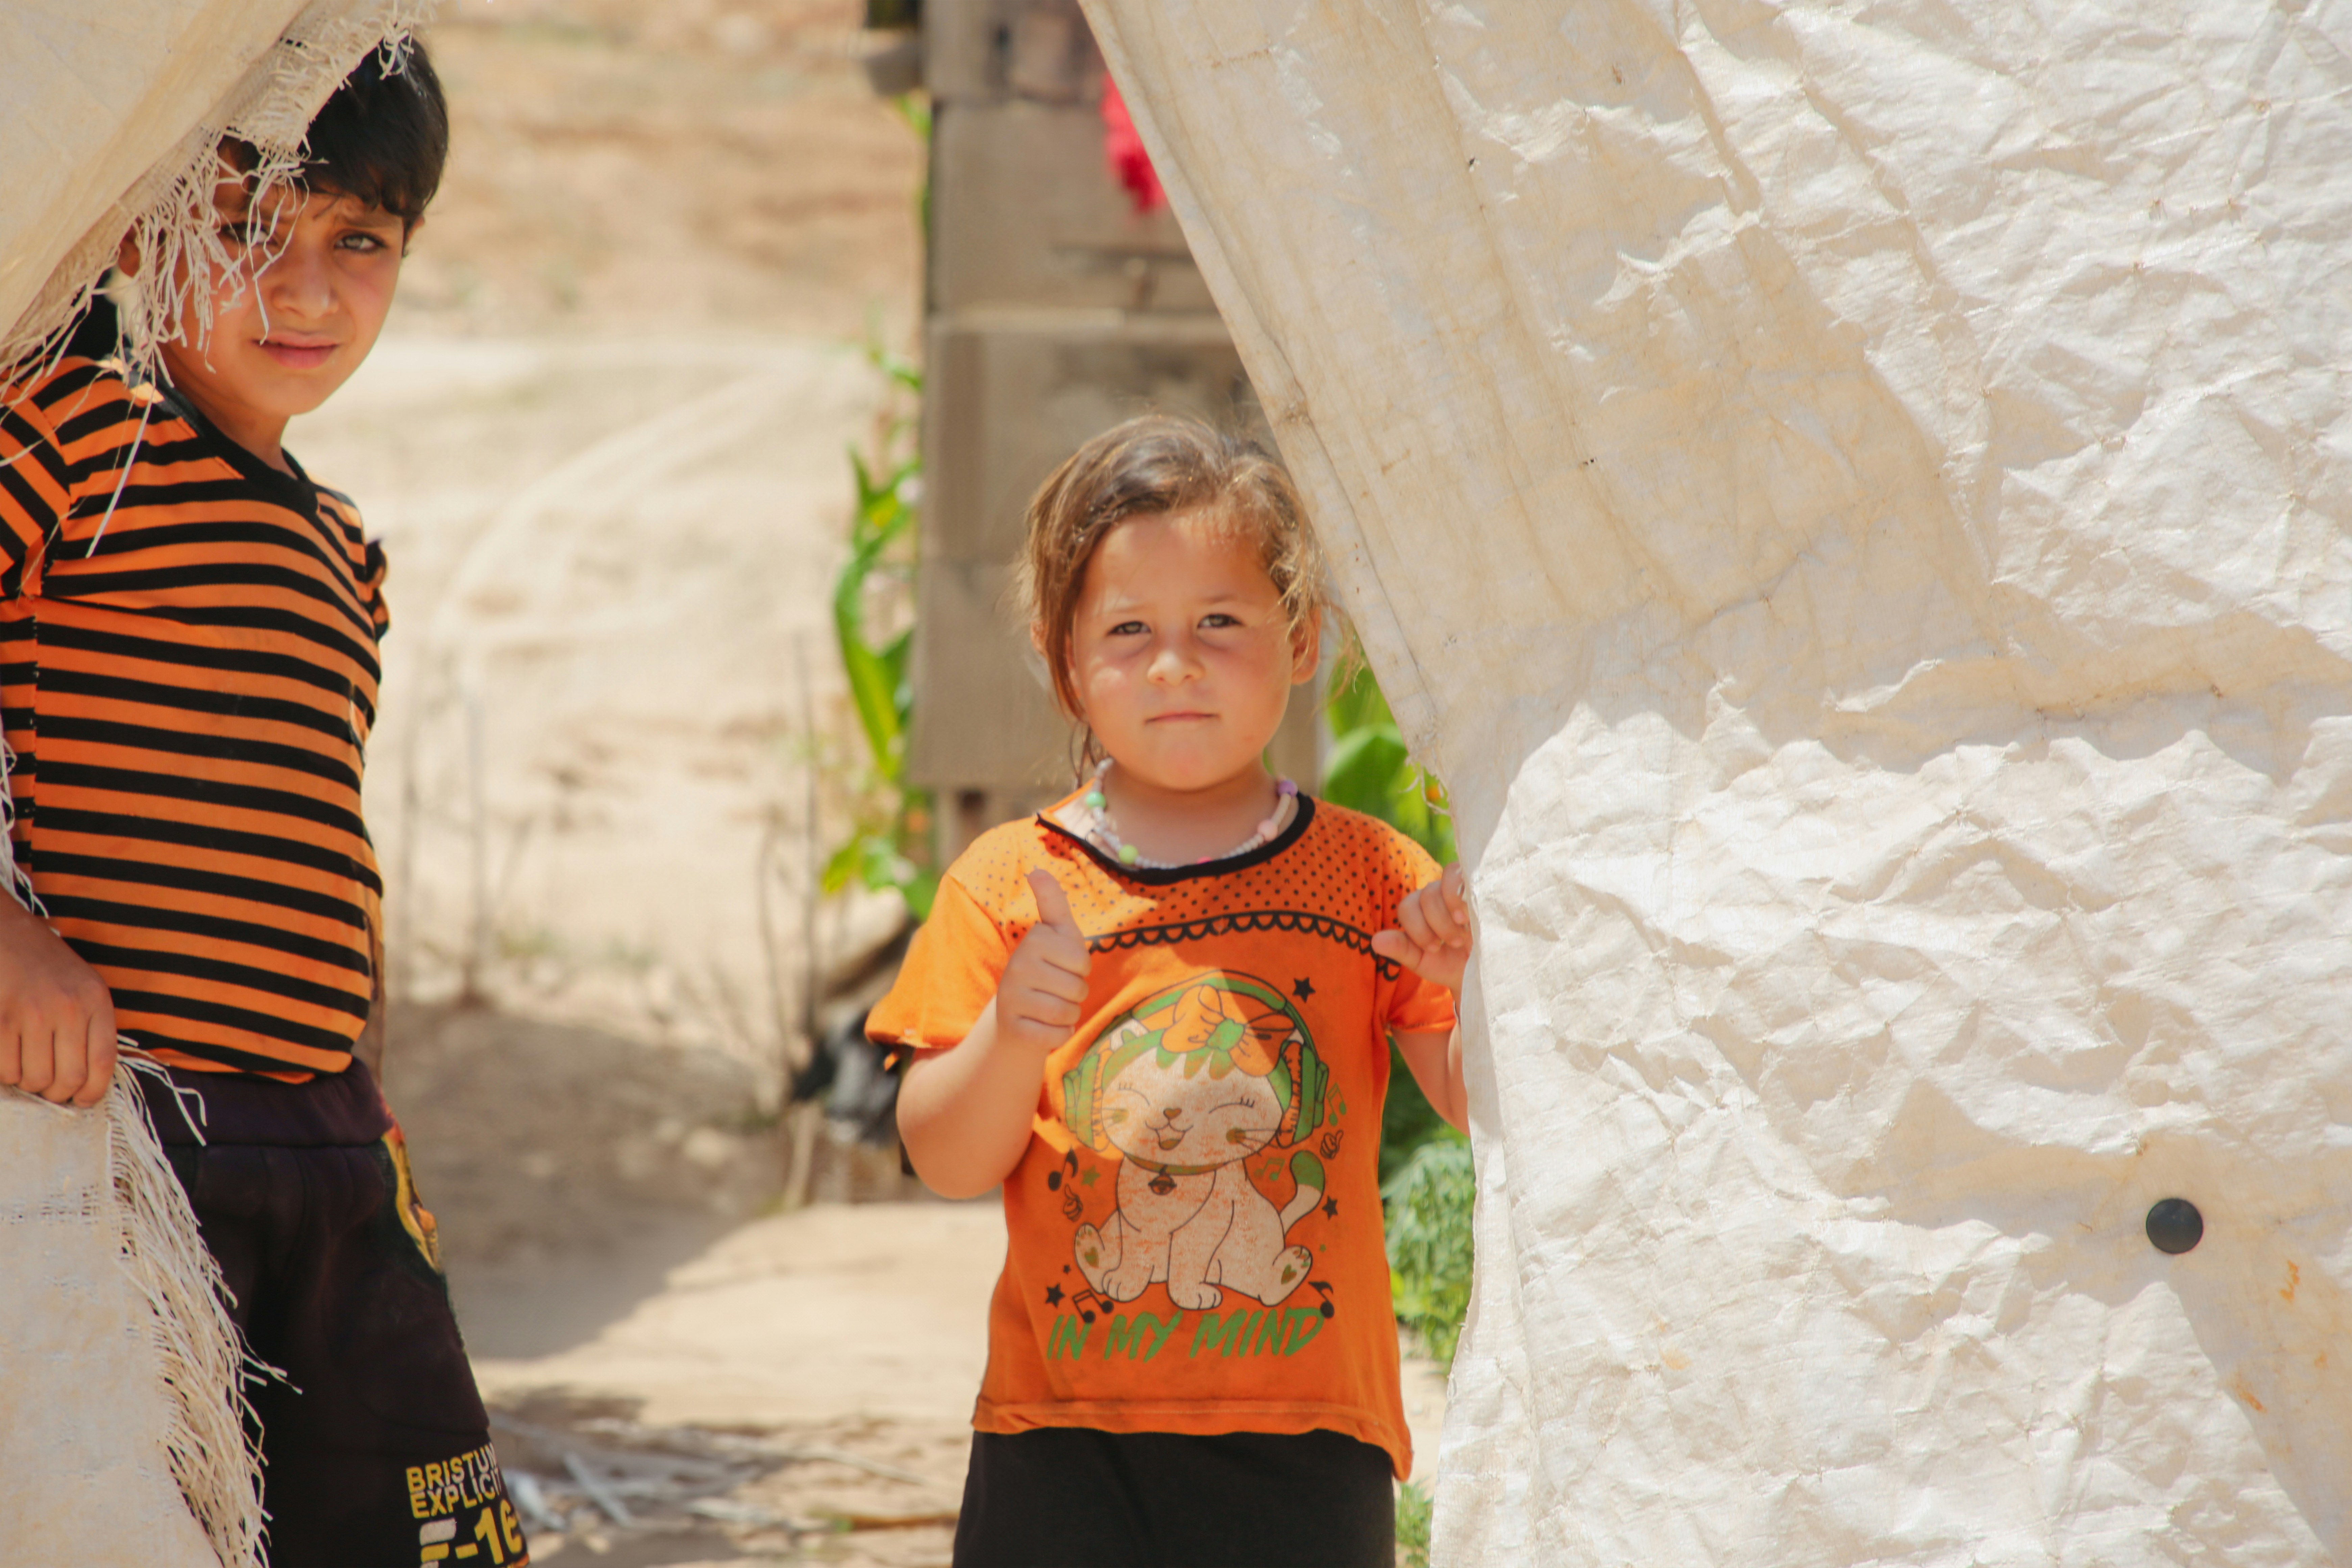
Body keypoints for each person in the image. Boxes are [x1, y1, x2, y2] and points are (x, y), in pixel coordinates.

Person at [0, 42, 530, 1568]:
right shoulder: (73, 436)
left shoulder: (346, 546)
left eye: (359, 240)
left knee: (430, 1527)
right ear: (136, 231)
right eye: (249, 232)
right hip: (135, 1135)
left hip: (338, 1137)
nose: (305, 290)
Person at [871, 414, 1475, 1567]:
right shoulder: (1009, 883)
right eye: (1130, 629)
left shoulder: (1369, 874)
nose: (1174, 662)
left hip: (1311, 1443)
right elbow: (945, 1163)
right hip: (1061, 1445)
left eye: (1220, 622)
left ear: (1300, 638)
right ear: (1065, 664)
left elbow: (1472, 1106)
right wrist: (1010, 1038)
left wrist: (1468, 1001)